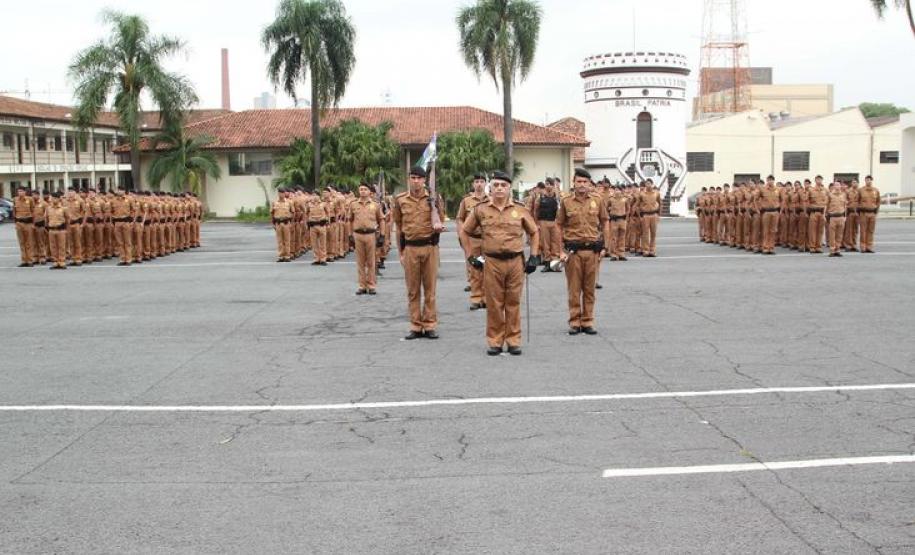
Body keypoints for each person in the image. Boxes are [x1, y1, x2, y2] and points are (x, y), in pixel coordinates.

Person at [460, 171, 540, 356]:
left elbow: (534, 232)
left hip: (515, 262)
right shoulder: (481, 209)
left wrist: (534, 256)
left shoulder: (520, 210)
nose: (499, 189)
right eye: (496, 185)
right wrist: (471, 255)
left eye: (503, 185)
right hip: (492, 261)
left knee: (513, 302)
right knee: (494, 304)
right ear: (491, 187)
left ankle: (513, 340)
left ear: (509, 188)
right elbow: (465, 231)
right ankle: (495, 341)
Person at [392, 166, 445, 340]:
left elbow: (440, 220)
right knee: (413, 290)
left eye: (419, 178)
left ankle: (429, 324)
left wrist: (437, 227)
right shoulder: (400, 200)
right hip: (411, 249)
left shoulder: (434, 198)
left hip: (429, 247)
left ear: (424, 180)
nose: (415, 181)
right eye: (413, 177)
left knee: (430, 289)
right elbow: (399, 228)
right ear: (409, 179)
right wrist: (401, 252)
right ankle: (415, 325)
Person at [557, 168, 609, 335]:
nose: (582, 185)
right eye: (579, 181)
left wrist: (605, 246)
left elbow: (605, 222)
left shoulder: (597, 200)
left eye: (585, 182)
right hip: (573, 252)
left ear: (589, 184)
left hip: (592, 251)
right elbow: (559, 225)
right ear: (574, 183)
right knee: (574, 289)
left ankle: (587, 321)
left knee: (589, 289)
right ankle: (574, 321)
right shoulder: (566, 202)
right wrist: (560, 250)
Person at [455, 173, 490, 308]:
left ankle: (486, 297)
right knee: (475, 268)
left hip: (487, 239)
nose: (479, 184)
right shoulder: (466, 201)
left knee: (488, 269)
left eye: (482, 181)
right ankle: (476, 298)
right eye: (477, 181)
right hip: (473, 239)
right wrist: (461, 234)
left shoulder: (491, 200)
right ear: (473, 184)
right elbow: (460, 218)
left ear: (486, 184)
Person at [351, 183, 385, 295]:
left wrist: (382, 235)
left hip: (371, 235)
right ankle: (362, 286)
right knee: (360, 262)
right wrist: (349, 235)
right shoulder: (353, 205)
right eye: (360, 189)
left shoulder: (375, 205)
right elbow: (349, 220)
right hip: (358, 235)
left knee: (371, 261)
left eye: (365, 189)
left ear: (370, 192)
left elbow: (381, 220)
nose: (363, 191)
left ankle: (371, 285)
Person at [533, 178, 562, 271]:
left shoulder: (557, 197)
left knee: (555, 244)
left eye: (550, 184)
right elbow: (536, 211)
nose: (548, 186)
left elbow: (560, 210)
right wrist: (536, 223)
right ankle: (547, 264)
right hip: (543, 222)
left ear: (553, 185)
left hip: (554, 222)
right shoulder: (540, 197)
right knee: (545, 244)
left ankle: (555, 265)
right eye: (547, 184)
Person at [638, 178, 662, 257]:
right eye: (646, 184)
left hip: (654, 214)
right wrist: (640, 216)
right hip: (645, 215)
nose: (647, 185)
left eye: (649, 183)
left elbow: (660, 204)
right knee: (645, 234)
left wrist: (659, 215)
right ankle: (646, 250)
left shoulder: (656, 193)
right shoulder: (641, 194)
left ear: (652, 184)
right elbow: (637, 206)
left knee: (653, 233)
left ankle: (652, 250)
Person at [757, 176, 780, 255]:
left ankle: (771, 248)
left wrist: (780, 209)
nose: (770, 181)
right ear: (767, 181)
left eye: (772, 180)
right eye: (769, 180)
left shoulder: (778, 189)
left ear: (774, 181)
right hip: (766, 212)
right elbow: (755, 199)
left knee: (773, 231)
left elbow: (783, 200)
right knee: (766, 231)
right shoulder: (762, 189)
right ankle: (766, 248)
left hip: (775, 212)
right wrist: (758, 209)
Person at [45, 192, 69, 270]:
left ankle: (62, 262)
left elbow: (68, 219)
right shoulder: (48, 208)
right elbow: (46, 219)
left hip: (61, 230)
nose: (53, 200)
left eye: (55, 198)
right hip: (52, 230)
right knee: (53, 247)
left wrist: (66, 229)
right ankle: (55, 262)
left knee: (62, 246)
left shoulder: (64, 208)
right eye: (52, 198)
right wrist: (47, 228)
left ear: (59, 199)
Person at [110, 186, 133, 265]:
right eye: (118, 190)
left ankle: (129, 259)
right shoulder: (113, 201)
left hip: (126, 221)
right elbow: (110, 212)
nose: (120, 191)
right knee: (119, 242)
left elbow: (133, 210)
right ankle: (122, 259)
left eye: (121, 190)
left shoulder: (129, 199)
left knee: (127, 241)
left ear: (124, 191)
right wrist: (112, 222)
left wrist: (131, 221)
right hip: (117, 222)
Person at [606, 184, 629, 261]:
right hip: (614, 220)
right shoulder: (611, 199)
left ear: (621, 191)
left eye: (619, 190)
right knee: (613, 238)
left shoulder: (625, 199)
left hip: (622, 219)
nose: (617, 191)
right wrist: (610, 215)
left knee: (622, 237)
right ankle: (614, 254)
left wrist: (626, 218)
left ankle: (621, 253)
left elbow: (628, 209)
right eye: (616, 190)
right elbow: (607, 208)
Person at [271, 188, 295, 262]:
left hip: (286, 223)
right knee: (280, 241)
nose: (280, 194)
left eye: (282, 193)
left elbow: (293, 212)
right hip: (278, 223)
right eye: (279, 193)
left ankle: (287, 256)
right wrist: (273, 224)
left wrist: (291, 222)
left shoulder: (289, 202)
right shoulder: (274, 202)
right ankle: (281, 256)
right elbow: (272, 213)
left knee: (287, 240)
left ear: (284, 194)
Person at [858, 176, 880, 253]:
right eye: (867, 180)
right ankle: (863, 247)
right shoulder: (861, 190)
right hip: (863, 213)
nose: (868, 181)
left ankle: (869, 246)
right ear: (865, 181)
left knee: (871, 231)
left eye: (869, 180)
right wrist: (859, 212)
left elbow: (878, 202)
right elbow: (857, 201)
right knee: (863, 230)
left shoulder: (876, 190)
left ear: (872, 181)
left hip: (872, 213)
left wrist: (876, 212)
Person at [825, 182, 848, 257]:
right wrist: (825, 215)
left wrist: (845, 216)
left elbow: (845, 206)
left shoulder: (843, 195)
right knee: (832, 235)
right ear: (834, 186)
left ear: (840, 186)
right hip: (833, 217)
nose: (837, 186)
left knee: (839, 235)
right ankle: (832, 250)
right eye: (836, 185)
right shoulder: (830, 195)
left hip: (841, 217)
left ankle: (837, 250)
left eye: (838, 185)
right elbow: (826, 206)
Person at [807, 176, 828, 254]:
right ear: (815, 180)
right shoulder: (811, 190)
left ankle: (818, 247)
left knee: (820, 231)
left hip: (822, 213)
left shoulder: (826, 190)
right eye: (817, 179)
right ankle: (812, 247)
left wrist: (826, 213)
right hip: (814, 212)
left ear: (822, 180)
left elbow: (827, 202)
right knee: (812, 230)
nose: (819, 181)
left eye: (820, 179)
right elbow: (807, 201)